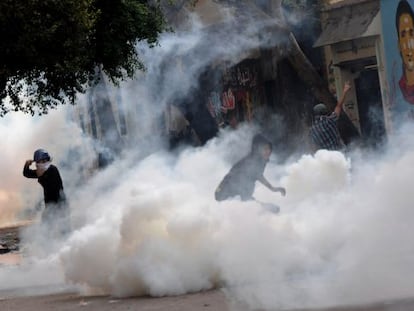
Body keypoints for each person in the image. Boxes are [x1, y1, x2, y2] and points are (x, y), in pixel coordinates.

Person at [215, 134, 286, 202]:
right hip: (224, 194)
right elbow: (240, 186)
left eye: (269, 148)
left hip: (234, 195)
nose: (268, 151)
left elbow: (258, 176)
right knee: (269, 209)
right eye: (265, 149)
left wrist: (273, 189)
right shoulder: (250, 162)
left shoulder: (259, 161)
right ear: (257, 149)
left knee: (270, 209)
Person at [23, 149, 69, 234]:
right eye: (42, 161)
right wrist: (27, 164)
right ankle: (48, 243)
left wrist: (40, 174)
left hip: (60, 202)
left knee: (64, 227)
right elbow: (26, 173)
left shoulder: (52, 170)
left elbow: (52, 186)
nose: (44, 162)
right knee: (47, 227)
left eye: (45, 160)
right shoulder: (41, 171)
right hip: (49, 204)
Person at [310, 81, 351, 151]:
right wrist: (345, 91)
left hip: (330, 159)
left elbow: (315, 148)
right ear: (325, 112)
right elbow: (339, 106)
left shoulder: (312, 131)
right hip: (342, 154)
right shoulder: (330, 120)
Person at [396, 0, 414, 105]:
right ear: (399, 46)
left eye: (411, 34)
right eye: (403, 35)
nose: (409, 45)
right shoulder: (401, 86)